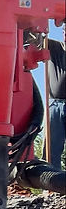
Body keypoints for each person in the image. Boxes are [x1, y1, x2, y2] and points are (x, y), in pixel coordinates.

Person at [48, 35, 65, 171]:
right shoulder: (54, 47)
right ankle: (52, 183)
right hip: (55, 105)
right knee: (51, 147)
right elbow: (32, 38)